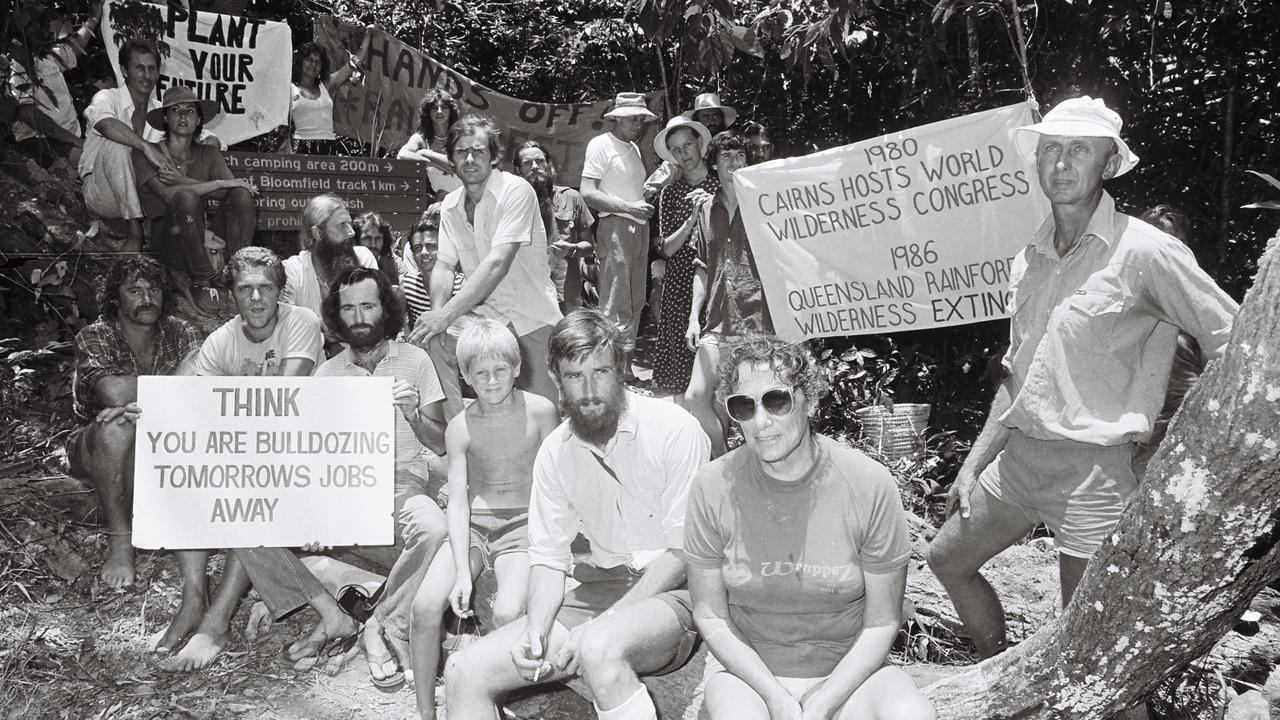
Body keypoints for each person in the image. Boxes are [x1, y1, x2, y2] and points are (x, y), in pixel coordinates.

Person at [925, 97, 1238, 662]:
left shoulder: (1146, 251)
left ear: (1109, 164)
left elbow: (1235, 340)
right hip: (1019, 462)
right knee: (947, 560)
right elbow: (1015, 376)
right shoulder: (1030, 257)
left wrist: (1185, 451)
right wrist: (971, 467)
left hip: (1094, 475)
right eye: (1051, 150)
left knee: (1088, 648)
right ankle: (1000, 677)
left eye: (1079, 150)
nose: (1062, 164)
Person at [443, 308, 711, 720]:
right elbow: (550, 558)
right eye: (574, 376)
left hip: (674, 591)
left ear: (619, 369)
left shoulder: (675, 429)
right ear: (556, 378)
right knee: (465, 670)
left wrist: (607, 621)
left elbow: (683, 552)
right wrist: (535, 629)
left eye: (600, 372)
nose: (589, 391)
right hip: (598, 589)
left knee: (597, 646)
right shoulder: (556, 451)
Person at [686, 334, 935, 720]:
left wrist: (822, 702)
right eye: (743, 406)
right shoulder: (712, 485)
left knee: (913, 715)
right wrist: (776, 697)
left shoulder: (868, 483)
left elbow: (883, 620)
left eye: (776, 400)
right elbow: (711, 614)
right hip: (749, 675)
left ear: (810, 400)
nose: (761, 421)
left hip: (849, 672)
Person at [155, 246, 336, 672]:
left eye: (266, 288)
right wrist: (157, 414)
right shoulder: (220, 342)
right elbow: (193, 405)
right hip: (252, 448)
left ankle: (216, 623)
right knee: (190, 471)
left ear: (280, 292)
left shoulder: (301, 323)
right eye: (245, 289)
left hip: (304, 448)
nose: (256, 299)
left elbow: (285, 398)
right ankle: (192, 598)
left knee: (251, 484)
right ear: (232, 294)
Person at [407, 319, 559, 719]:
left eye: (500, 370)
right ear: (466, 376)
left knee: (508, 612)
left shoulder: (541, 412)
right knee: (424, 608)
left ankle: (489, 697)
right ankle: (426, 711)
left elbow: (558, 481)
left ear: (516, 366)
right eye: (480, 373)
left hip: (523, 528)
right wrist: (462, 571)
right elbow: (457, 501)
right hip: (473, 526)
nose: (491, 380)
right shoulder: (460, 427)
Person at [312, 267, 450, 691]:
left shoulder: (415, 359)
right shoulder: (326, 375)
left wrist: (413, 413)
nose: (358, 317)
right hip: (346, 489)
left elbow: (441, 442)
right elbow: (313, 455)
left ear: (384, 309)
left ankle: (381, 621)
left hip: (400, 484)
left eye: (367, 305)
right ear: (337, 315)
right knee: (265, 533)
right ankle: (369, 593)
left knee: (433, 529)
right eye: (348, 308)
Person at [406, 114, 562, 420]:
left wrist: (445, 315)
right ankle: (456, 434)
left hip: (531, 319)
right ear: (450, 159)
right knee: (433, 343)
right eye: (461, 152)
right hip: (486, 322)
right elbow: (444, 266)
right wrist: (437, 317)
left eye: (478, 151)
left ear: (494, 156)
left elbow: (497, 263)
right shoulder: (450, 205)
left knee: (543, 419)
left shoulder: (515, 191)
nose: (470, 159)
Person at [67, 256, 201, 589]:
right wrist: (173, 386)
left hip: (164, 435)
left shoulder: (180, 329)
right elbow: (111, 391)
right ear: (116, 297)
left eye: (153, 289)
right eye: (135, 290)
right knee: (118, 426)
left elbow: (200, 386)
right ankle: (121, 540)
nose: (146, 298)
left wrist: (141, 399)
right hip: (95, 442)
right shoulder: (94, 335)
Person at [683, 131, 775, 457]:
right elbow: (702, 268)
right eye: (726, 157)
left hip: (757, 318)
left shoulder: (764, 203)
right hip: (718, 321)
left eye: (740, 156)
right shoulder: (707, 209)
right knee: (696, 398)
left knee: (754, 403)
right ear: (715, 165)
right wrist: (694, 318)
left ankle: (757, 468)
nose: (734, 163)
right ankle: (725, 460)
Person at [132, 86, 258, 315]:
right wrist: (218, 183)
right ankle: (202, 280)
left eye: (190, 110)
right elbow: (170, 196)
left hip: (201, 236)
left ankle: (239, 271)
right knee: (186, 196)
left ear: (199, 119)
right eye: (175, 110)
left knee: (242, 195)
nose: (183, 116)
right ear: (165, 117)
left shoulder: (208, 154)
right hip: (169, 240)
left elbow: (234, 192)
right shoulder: (147, 153)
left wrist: (181, 178)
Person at [580, 92, 657, 378]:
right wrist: (628, 208)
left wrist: (647, 195)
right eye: (633, 118)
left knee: (636, 300)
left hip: (639, 228)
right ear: (617, 118)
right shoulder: (601, 144)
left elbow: (629, 190)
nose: (638, 123)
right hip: (615, 227)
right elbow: (587, 192)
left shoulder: (634, 149)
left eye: (641, 119)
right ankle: (607, 369)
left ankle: (624, 370)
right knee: (614, 302)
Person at [1131, 205, 1207, 480]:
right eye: (1162, 244)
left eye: (1178, 244)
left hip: (1189, 433)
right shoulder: (1124, 298)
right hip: (1136, 442)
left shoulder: (1200, 300)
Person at [79, 37, 172, 251]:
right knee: (118, 145)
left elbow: (195, 131)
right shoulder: (107, 97)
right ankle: (134, 232)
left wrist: (209, 139)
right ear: (123, 70)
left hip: (144, 193)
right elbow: (104, 124)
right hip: (104, 193)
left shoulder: (159, 109)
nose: (147, 76)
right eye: (139, 68)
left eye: (152, 69)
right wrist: (145, 146)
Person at [650, 116, 716, 395]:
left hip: (714, 278)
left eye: (687, 144)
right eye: (676, 149)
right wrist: (692, 219)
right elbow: (665, 248)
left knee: (713, 354)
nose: (683, 153)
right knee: (677, 357)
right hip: (678, 280)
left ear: (700, 143)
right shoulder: (670, 193)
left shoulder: (721, 184)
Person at [8, 1, 100, 166]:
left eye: (43, 22)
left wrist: (95, 17)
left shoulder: (45, 56)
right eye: (36, 24)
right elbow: (27, 113)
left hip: (69, 140)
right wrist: (74, 141)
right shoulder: (17, 63)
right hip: (42, 143)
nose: (44, 28)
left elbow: (75, 47)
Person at [282, 194, 379, 345]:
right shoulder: (292, 271)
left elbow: (376, 315)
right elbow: (285, 327)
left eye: (349, 224)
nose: (351, 232)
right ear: (318, 233)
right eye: (342, 225)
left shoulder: (363, 259)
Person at [515, 140, 595, 313]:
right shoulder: (511, 203)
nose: (535, 167)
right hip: (527, 290)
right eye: (527, 163)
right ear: (517, 170)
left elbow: (589, 246)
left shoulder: (572, 197)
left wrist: (572, 248)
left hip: (566, 291)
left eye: (540, 161)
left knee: (568, 338)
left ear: (549, 164)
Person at [290, 33, 372, 155]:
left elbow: (355, 61)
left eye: (318, 62)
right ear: (300, 62)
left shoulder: (326, 85)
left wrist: (369, 32)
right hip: (300, 146)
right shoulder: (290, 88)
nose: (313, 65)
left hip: (328, 146)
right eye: (309, 60)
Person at [399, 206, 464, 328]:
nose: (424, 252)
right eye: (418, 248)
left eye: (431, 246)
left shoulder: (461, 285)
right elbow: (392, 324)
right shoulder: (408, 286)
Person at [397, 89, 463, 200]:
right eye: (434, 108)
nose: (439, 111)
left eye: (444, 107)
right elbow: (402, 156)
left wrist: (426, 153)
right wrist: (432, 164)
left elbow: (455, 164)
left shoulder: (460, 135)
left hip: (468, 199)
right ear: (428, 112)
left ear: (451, 111)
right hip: (443, 203)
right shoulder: (422, 138)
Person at [354, 211, 401, 285]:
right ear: (356, 240)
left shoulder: (393, 262)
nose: (373, 245)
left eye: (378, 239)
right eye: (367, 238)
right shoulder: (348, 264)